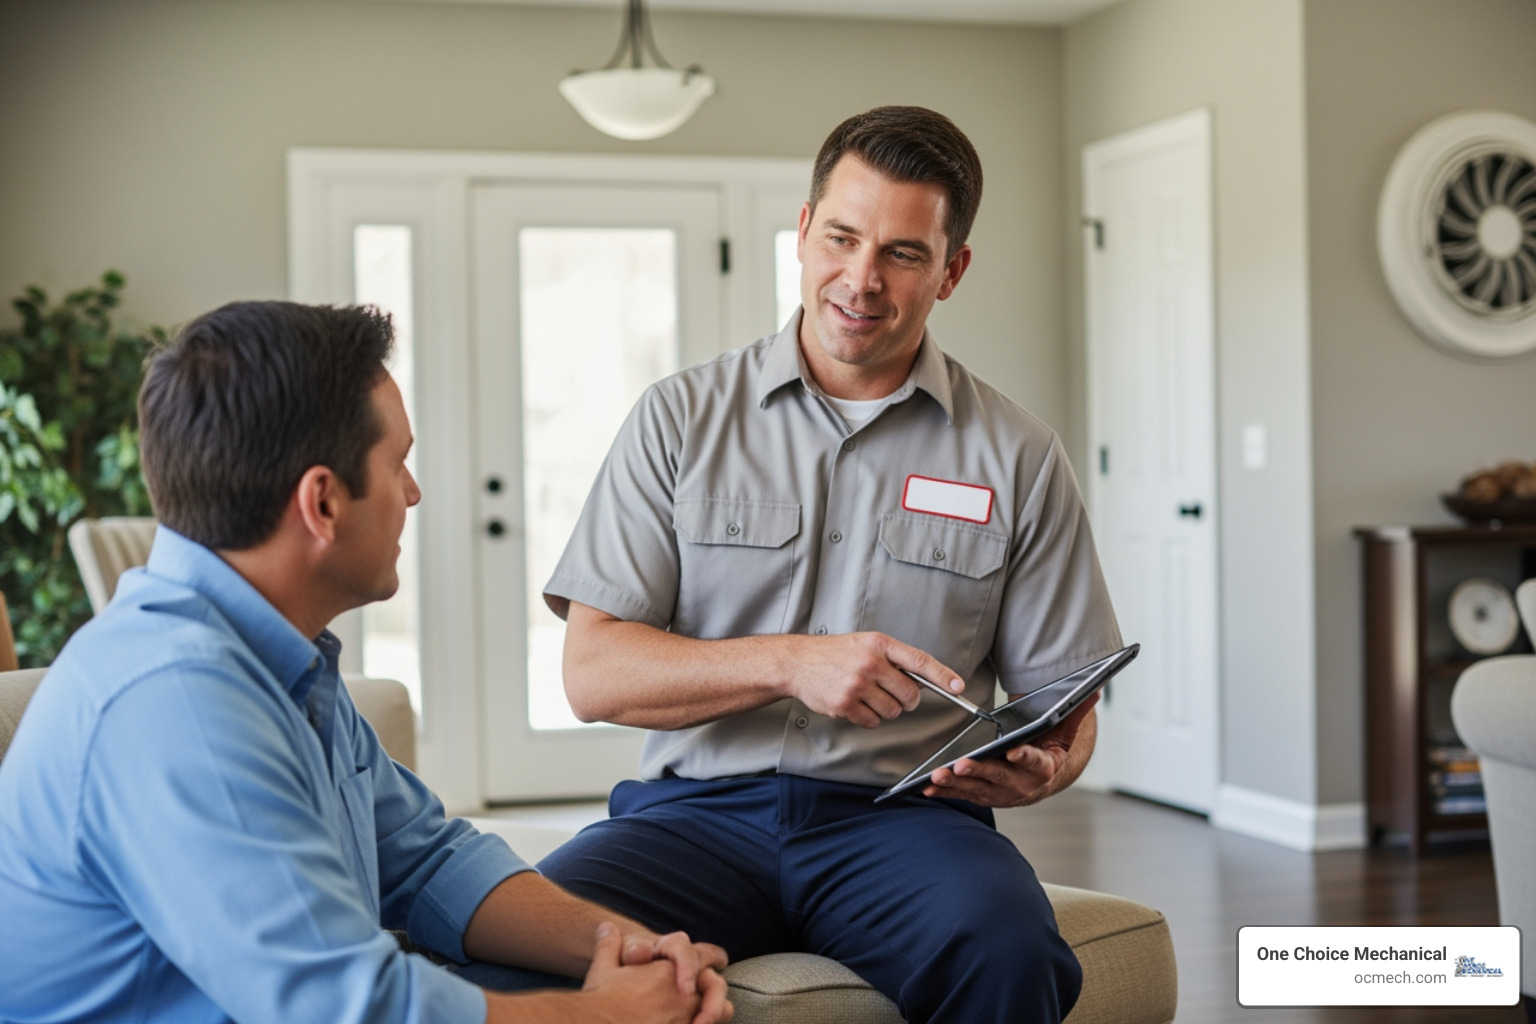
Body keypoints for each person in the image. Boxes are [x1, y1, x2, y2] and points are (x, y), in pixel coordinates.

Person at [538, 106, 1123, 1024]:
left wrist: (1055, 764)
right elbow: (592, 673)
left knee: (1009, 947)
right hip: (689, 821)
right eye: (842, 238)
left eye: (903, 253)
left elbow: (1067, 700)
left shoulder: (1019, 456)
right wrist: (790, 660)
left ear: (951, 270)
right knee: (526, 945)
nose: (862, 280)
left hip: (906, 828)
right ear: (803, 231)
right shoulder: (680, 420)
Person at [0, 301, 732, 1024]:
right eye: (398, 463)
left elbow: (426, 861)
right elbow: (349, 1009)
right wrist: (608, 1017)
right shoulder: (175, 702)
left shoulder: (277, 660)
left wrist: (630, 949)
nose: (413, 493)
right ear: (322, 502)